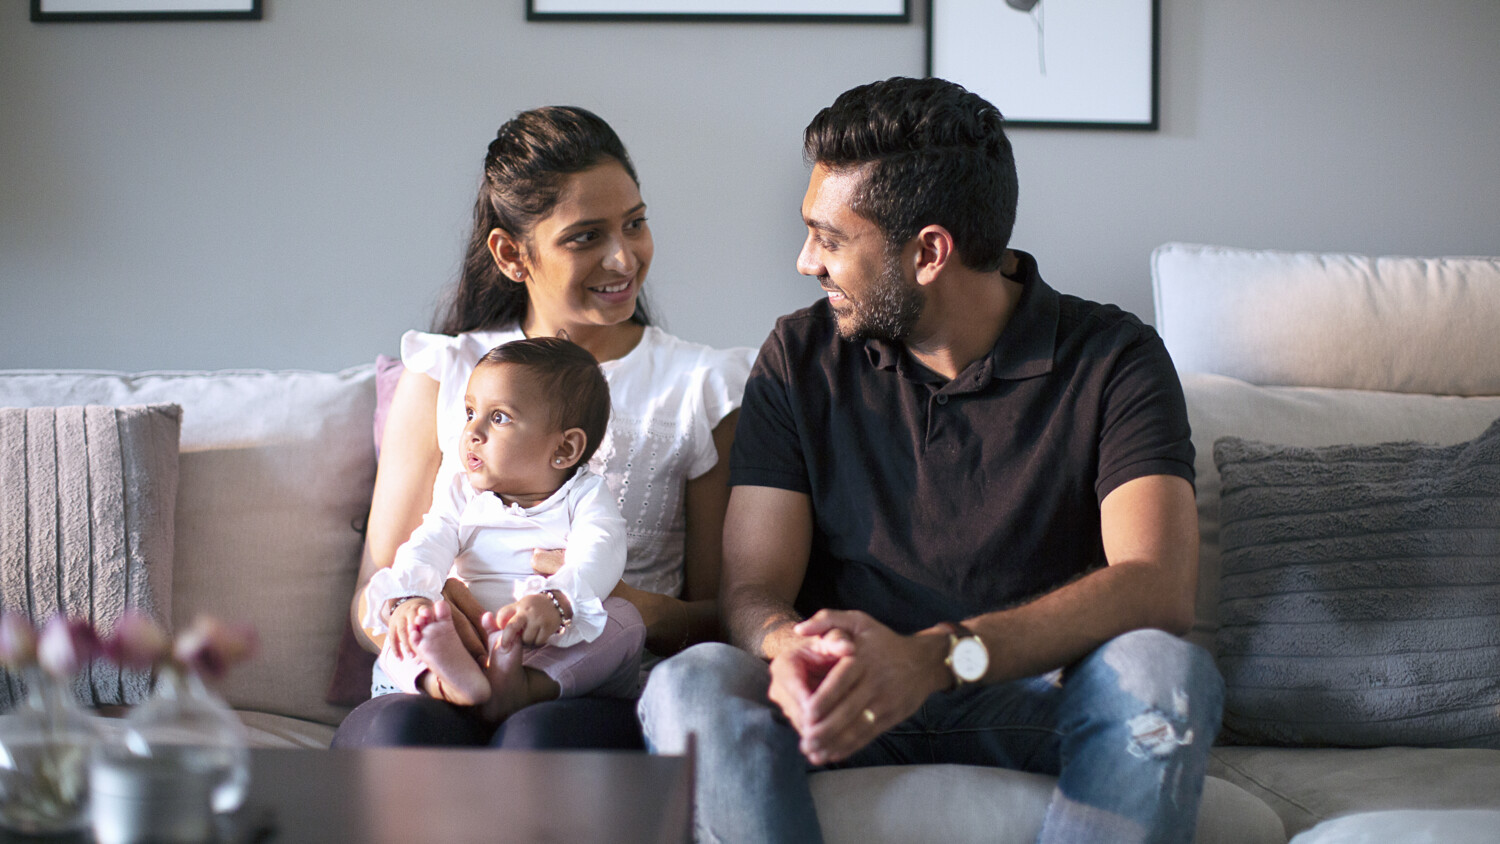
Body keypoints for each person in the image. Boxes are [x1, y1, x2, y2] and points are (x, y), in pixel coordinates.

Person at [638, 77, 1224, 844]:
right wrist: (788, 649)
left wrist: (934, 659)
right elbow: (752, 587)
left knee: (1163, 673)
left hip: (1029, 697)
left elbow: (1157, 586)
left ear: (929, 252)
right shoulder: (799, 354)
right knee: (692, 683)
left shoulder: (1115, 358)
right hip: (841, 701)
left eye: (831, 237)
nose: (805, 260)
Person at [333, 106, 752, 749]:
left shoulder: (703, 386)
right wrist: (422, 617)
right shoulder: (446, 373)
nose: (623, 258)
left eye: (634, 225)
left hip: (588, 682)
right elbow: (374, 593)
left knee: (537, 739)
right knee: (400, 732)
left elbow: (724, 618)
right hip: (448, 660)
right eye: (585, 237)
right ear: (510, 253)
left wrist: (604, 605)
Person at [363, 337, 644, 722]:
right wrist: (411, 595)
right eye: (469, 412)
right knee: (398, 618)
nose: (472, 432)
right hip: (465, 636)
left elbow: (601, 548)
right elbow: (430, 541)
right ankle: (443, 681)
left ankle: (524, 685)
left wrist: (558, 601)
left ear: (564, 449)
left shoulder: (585, 496)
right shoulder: (462, 491)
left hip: (546, 637)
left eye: (499, 418)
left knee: (624, 619)